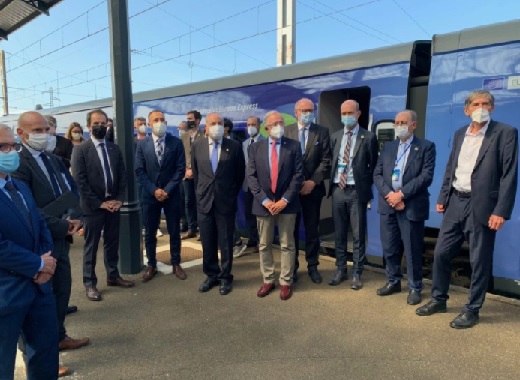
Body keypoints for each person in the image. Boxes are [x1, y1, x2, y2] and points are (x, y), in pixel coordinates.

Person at [416, 90, 519, 329]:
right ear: (467, 109)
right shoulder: (460, 133)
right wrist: (443, 197)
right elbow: (452, 167)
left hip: (482, 205)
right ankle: (439, 299)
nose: (480, 108)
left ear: (492, 108)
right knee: (441, 253)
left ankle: (472, 310)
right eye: (475, 104)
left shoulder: (505, 133)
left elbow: (509, 175)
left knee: (479, 259)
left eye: (485, 104)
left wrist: (500, 211)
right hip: (456, 201)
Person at [14, 112, 89, 354]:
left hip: (61, 238)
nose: (44, 135)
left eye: (46, 129)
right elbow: (27, 207)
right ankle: (40, 353)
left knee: (61, 289)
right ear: (21, 133)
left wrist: (76, 217)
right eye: (37, 130)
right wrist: (60, 225)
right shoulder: (18, 164)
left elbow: (72, 189)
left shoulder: (53, 159)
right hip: (38, 241)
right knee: (40, 298)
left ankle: (58, 335)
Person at [0, 124, 59, 380]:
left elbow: (40, 223)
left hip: (39, 287)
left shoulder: (19, 186)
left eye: (12, 145)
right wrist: (36, 264)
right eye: (3, 147)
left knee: (44, 357)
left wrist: (47, 264)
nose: (10, 151)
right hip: (6, 292)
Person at [373, 110, 436, 305]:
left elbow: (425, 177)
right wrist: (390, 196)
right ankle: (393, 281)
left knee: (412, 249)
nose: (399, 126)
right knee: (389, 247)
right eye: (396, 122)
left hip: (411, 205)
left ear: (413, 125)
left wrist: (401, 195)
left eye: (403, 122)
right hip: (388, 204)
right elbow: (377, 174)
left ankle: (415, 287)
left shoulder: (426, 147)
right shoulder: (389, 147)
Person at [71, 109, 134, 302]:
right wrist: (100, 204)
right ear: (89, 126)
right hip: (93, 208)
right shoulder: (81, 150)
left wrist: (119, 200)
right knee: (91, 246)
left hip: (113, 206)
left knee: (112, 243)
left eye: (103, 123)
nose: (100, 126)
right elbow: (80, 182)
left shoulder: (114, 149)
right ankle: (90, 283)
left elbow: (122, 176)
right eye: (96, 123)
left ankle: (113, 276)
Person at [248, 110, 303, 300]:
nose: (280, 126)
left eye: (281, 123)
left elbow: (298, 176)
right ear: (266, 128)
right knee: (264, 245)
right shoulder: (255, 148)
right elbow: (251, 177)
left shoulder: (294, 146)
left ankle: (286, 281)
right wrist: (265, 200)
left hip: (287, 204)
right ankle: (268, 279)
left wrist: (283, 200)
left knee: (287, 244)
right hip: (263, 205)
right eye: (275, 123)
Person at [192, 112, 245, 295]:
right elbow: (197, 175)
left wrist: (230, 194)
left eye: (220, 123)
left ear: (225, 126)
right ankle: (211, 275)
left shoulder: (234, 146)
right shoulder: (197, 146)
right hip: (205, 201)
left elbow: (240, 174)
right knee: (207, 240)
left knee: (225, 242)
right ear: (205, 127)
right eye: (213, 123)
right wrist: (201, 194)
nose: (217, 126)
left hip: (225, 201)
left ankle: (225, 277)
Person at [328, 99, 378, 290]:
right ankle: (341, 269)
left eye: (350, 113)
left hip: (356, 191)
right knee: (339, 233)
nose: (346, 117)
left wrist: (365, 186)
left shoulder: (369, 137)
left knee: (358, 234)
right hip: (338, 190)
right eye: (344, 113)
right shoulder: (336, 136)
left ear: (358, 114)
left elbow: (373, 166)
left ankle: (357, 272)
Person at [135, 110, 187, 283]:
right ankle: (151, 264)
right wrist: (154, 190)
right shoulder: (142, 145)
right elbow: (140, 171)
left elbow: (180, 169)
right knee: (150, 232)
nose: (160, 122)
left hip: (171, 195)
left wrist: (167, 190)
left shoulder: (176, 142)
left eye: (162, 120)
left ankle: (176, 263)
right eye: (156, 120)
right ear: (149, 124)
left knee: (174, 231)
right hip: (150, 196)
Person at [284, 98, 331, 283]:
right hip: (292, 192)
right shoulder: (287, 131)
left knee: (312, 230)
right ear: (296, 112)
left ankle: (313, 266)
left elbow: (326, 159)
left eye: (310, 110)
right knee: (292, 231)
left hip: (313, 190)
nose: (307, 113)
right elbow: (283, 161)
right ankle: (292, 267)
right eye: (303, 110)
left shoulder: (322, 132)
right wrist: (295, 184)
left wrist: (313, 181)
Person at [234, 116, 265, 258]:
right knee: (249, 214)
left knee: (261, 215)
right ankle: (253, 239)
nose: (250, 127)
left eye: (253, 124)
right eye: (248, 124)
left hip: (261, 186)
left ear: (259, 126)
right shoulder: (245, 143)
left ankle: (262, 241)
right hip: (247, 185)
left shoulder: (265, 141)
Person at [181, 110, 205, 240]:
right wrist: (185, 170)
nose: (188, 120)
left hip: (200, 174)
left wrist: (193, 171)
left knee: (200, 202)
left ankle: (202, 229)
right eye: (187, 118)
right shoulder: (184, 136)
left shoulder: (204, 135)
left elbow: (204, 157)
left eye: (190, 118)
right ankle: (192, 228)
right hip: (186, 175)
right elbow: (181, 155)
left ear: (197, 120)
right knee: (188, 202)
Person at [178, 121, 188, 232]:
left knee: (188, 201)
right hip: (180, 177)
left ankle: (190, 225)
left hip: (188, 176)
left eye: (181, 128)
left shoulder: (188, 140)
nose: (179, 130)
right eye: (178, 128)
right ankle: (184, 223)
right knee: (182, 201)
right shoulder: (178, 141)